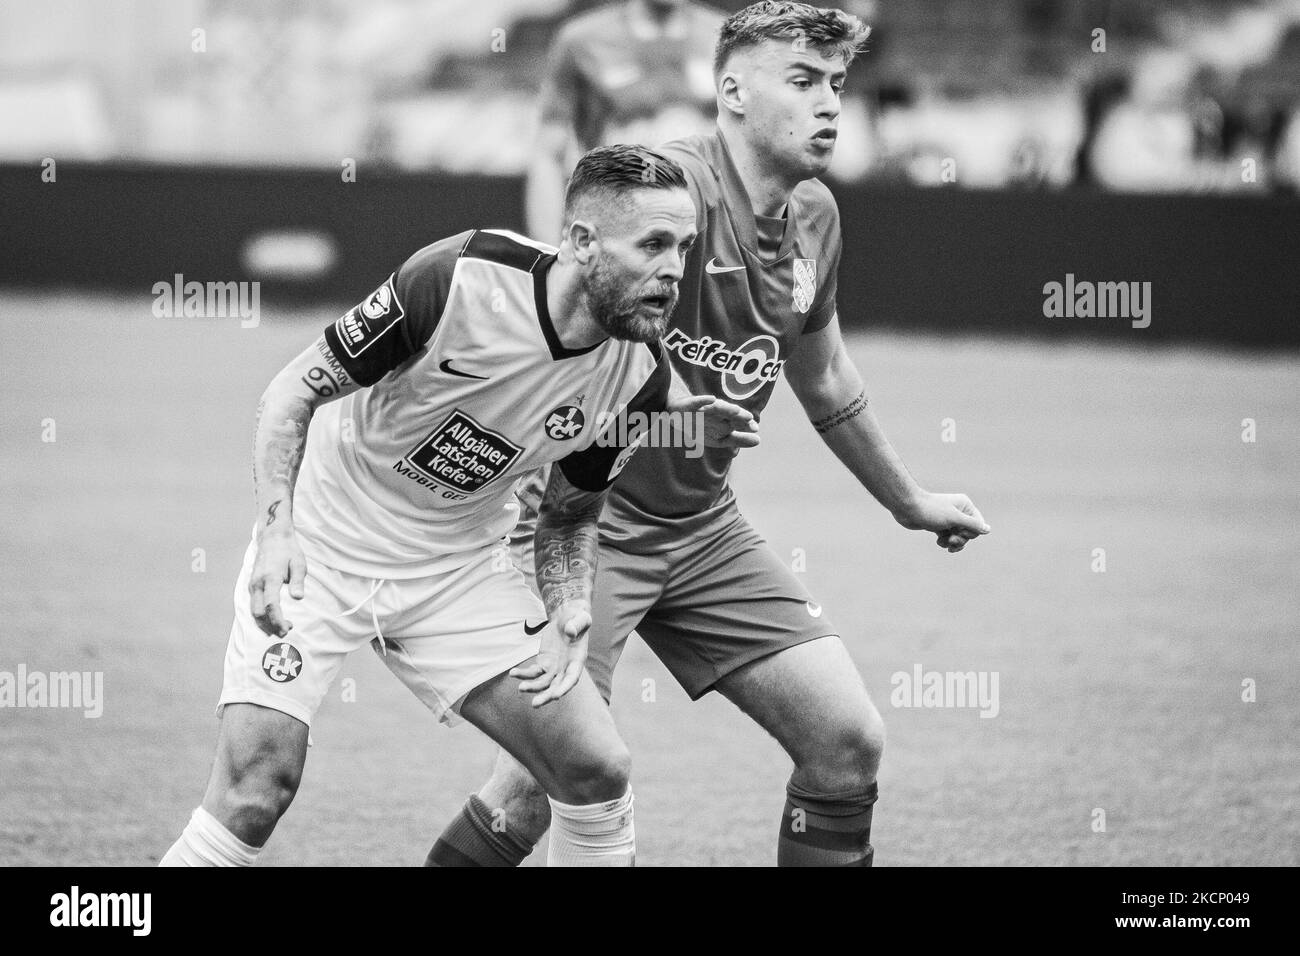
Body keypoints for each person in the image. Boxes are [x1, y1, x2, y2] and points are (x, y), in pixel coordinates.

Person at [428, 1, 990, 868]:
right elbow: (563, 342)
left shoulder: (816, 219)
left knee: (846, 743)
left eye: (837, 83)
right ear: (730, 90)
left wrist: (909, 501)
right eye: (802, 81)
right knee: (536, 789)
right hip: (586, 526)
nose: (830, 103)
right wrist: (664, 409)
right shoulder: (668, 196)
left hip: (702, 528)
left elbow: (826, 375)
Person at [159, 144, 757, 867]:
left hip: (456, 569)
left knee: (596, 768)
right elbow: (293, 390)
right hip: (321, 546)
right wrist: (277, 533)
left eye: (685, 248)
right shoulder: (458, 277)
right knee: (256, 792)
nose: (674, 271)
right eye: (654, 245)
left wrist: (568, 602)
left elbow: (569, 516)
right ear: (580, 241)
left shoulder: (639, 378)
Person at [527, 0, 726, 242]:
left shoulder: (728, 37)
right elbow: (548, 153)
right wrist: (546, 252)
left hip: (708, 229)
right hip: (616, 226)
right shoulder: (583, 40)